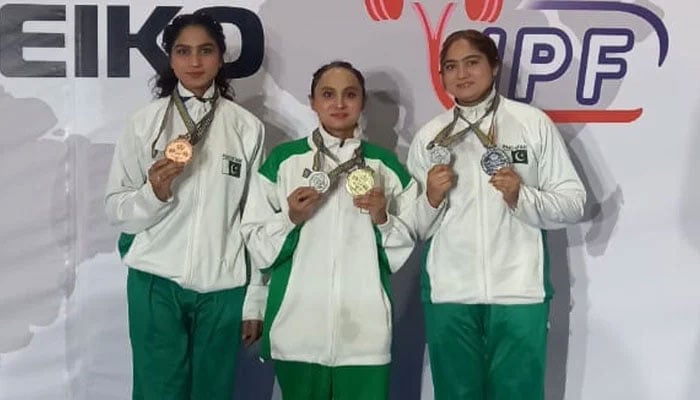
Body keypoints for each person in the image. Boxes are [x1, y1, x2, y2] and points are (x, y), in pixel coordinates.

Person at [407, 29, 586, 400]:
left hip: (518, 290)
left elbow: (573, 202)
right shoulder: (430, 136)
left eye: (472, 62)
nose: (462, 74)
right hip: (450, 293)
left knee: (518, 394)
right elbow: (412, 227)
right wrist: (432, 198)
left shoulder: (531, 123)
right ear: (441, 76)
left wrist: (522, 197)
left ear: (494, 67)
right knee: (455, 394)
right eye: (451, 67)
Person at [104, 11, 266, 400]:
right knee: (157, 391)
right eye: (184, 51)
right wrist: (154, 193)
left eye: (205, 51)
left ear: (221, 57)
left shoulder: (246, 128)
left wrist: (255, 299)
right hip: (155, 281)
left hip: (223, 287)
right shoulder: (145, 123)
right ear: (170, 58)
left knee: (213, 392)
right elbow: (116, 209)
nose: (195, 62)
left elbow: (255, 218)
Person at [241, 60, 420, 400]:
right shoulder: (284, 162)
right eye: (328, 94)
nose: (339, 104)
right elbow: (257, 245)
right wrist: (290, 218)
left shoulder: (386, 167)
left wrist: (382, 218)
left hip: (364, 336)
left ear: (362, 103)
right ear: (312, 102)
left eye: (349, 95)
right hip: (296, 332)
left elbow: (404, 245)